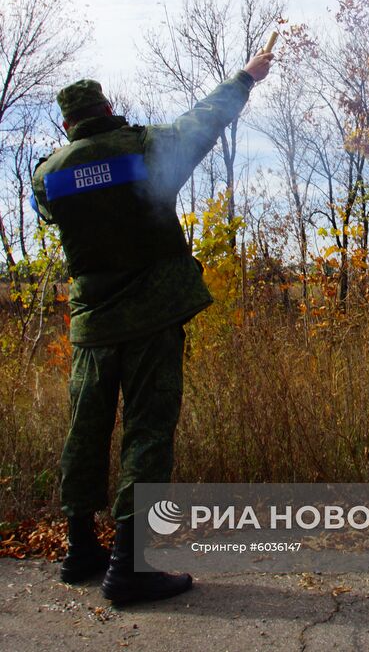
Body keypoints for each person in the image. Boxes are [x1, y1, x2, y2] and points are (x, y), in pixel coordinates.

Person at [31, 51, 273, 604]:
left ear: (68, 124)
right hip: (152, 316)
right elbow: (203, 121)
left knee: (85, 430)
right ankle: (129, 566)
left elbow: (48, 210)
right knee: (148, 431)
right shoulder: (143, 149)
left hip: (92, 324)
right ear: (108, 108)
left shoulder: (50, 173)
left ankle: (79, 549)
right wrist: (245, 78)